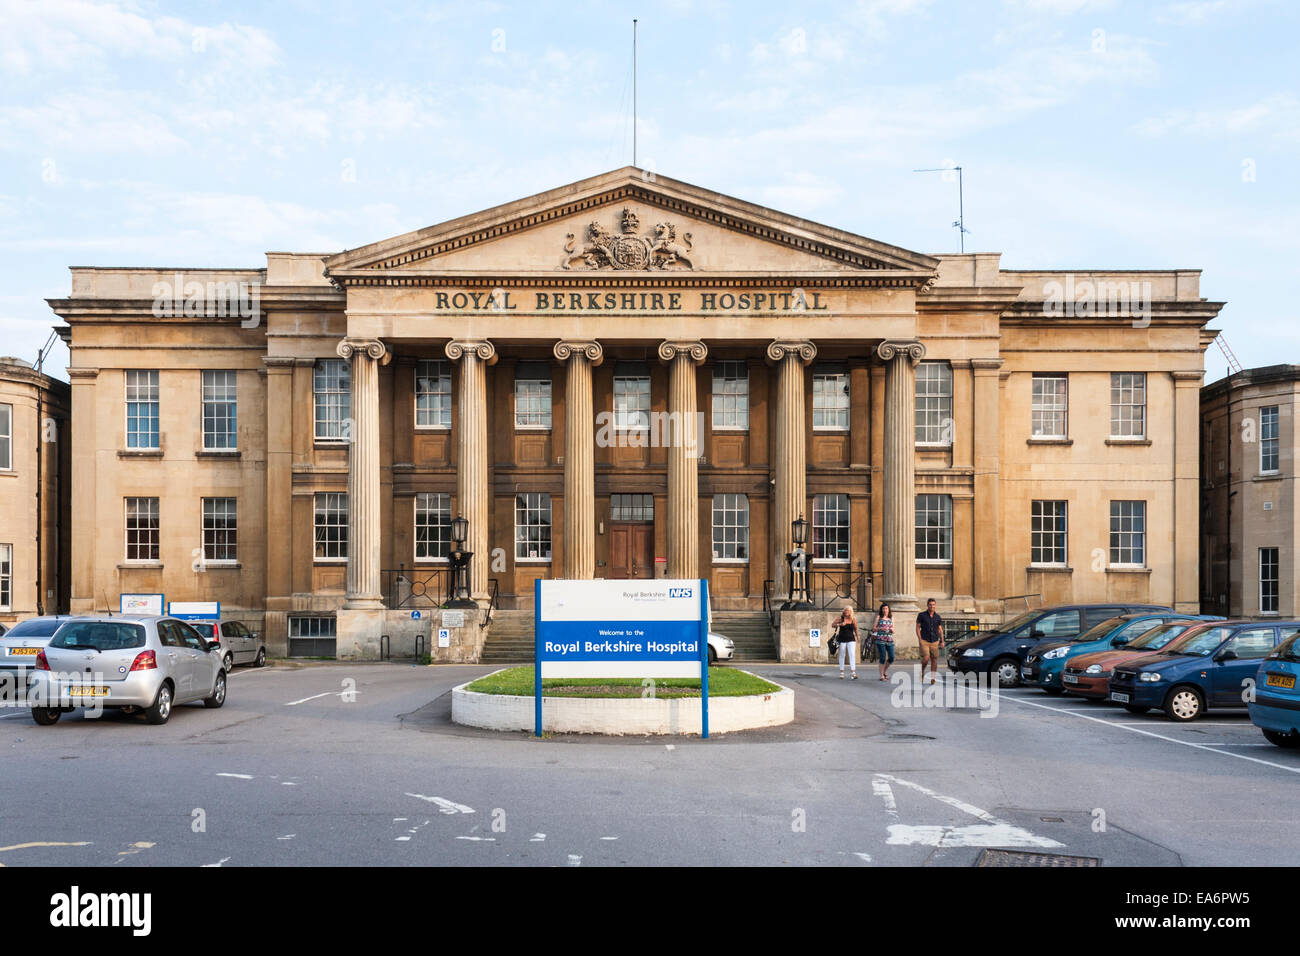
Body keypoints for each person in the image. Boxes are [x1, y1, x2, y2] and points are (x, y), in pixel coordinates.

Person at [915, 598, 945, 685]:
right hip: (924, 640)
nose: (932, 606)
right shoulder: (922, 615)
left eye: (933, 604)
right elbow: (917, 628)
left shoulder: (938, 617)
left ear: (935, 605)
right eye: (930, 604)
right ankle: (922, 672)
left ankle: (933, 678)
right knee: (926, 658)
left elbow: (940, 630)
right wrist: (920, 639)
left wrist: (942, 641)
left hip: (935, 641)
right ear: (927, 605)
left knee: (934, 659)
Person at [833, 605, 859, 679]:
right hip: (842, 639)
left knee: (852, 655)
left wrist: (858, 637)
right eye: (845, 610)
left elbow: (856, 629)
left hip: (851, 639)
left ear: (851, 612)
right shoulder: (840, 618)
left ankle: (853, 673)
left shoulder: (853, 619)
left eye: (848, 610)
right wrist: (840, 624)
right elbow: (833, 625)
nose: (846, 612)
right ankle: (841, 672)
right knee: (842, 655)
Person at [872, 603, 895, 681]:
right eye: (883, 609)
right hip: (880, 640)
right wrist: (880, 629)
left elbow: (893, 630)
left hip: (889, 639)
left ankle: (884, 671)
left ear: (889, 610)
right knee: (882, 657)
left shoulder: (891, 618)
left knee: (891, 657)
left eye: (886, 609)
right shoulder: (879, 617)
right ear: (881, 610)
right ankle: (881, 675)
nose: (885, 610)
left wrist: (892, 630)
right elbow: (874, 628)